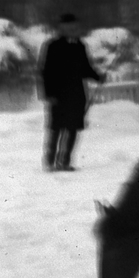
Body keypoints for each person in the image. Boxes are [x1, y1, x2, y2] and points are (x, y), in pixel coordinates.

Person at [38, 12, 104, 171]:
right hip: (58, 95)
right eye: (69, 27)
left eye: (76, 27)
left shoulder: (81, 46)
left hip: (76, 94)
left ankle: (65, 162)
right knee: (56, 128)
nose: (74, 30)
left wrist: (98, 77)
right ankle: (50, 162)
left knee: (73, 128)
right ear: (61, 28)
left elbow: (86, 68)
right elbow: (45, 71)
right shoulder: (52, 45)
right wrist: (49, 94)